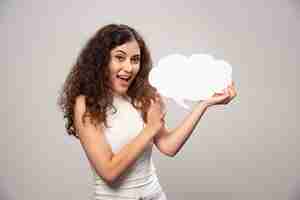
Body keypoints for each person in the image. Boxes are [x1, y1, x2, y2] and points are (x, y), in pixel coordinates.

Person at [57, 24, 237, 200]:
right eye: (120, 58)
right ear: (101, 60)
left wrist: (204, 104)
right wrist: (150, 128)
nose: (129, 67)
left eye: (135, 60)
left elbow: (168, 146)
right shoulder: (85, 103)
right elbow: (108, 171)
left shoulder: (142, 97)